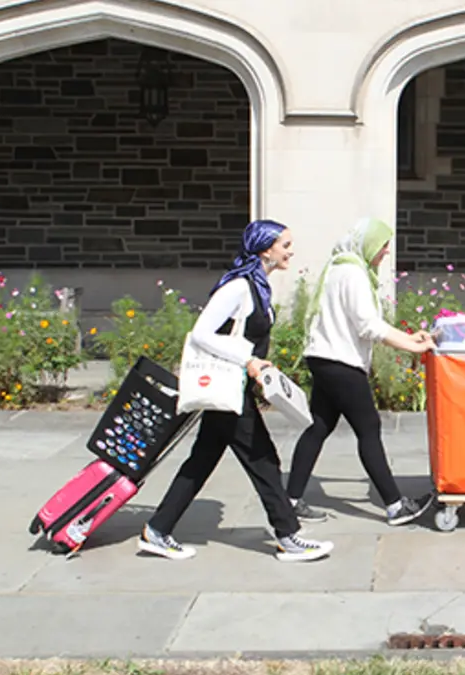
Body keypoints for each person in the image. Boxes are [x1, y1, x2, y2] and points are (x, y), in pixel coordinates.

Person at [138, 220, 333, 562]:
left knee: (202, 460)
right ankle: (288, 535)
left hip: (234, 388)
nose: (290, 251)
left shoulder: (258, 286)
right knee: (262, 459)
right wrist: (249, 359)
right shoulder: (238, 287)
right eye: (285, 245)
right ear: (264, 250)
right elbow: (201, 334)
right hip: (228, 387)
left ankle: (157, 529)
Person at [285, 217, 437, 526]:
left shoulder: (338, 267)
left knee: (318, 428)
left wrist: (409, 338)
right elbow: (367, 325)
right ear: (369, 245)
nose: (385, 253)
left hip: (323, 358)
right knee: (369, 429)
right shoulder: (353, 273)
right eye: (383, 246)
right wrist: (412, 347)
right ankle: (395, 506)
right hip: (341, 364)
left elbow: (363, 322)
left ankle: (290, 500)